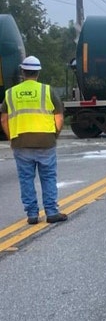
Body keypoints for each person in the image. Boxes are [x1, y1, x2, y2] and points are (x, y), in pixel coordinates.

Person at [0, 56, 67, 224]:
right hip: (46, 141)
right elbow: (58, 117)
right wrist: (54, 135)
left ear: (23, 72)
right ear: (38, 72)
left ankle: (32, 214)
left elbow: (3, 119)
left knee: (26, 178)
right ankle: (51, 212)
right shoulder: (47, 91)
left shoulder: (10, 93)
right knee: (48, 177)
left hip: (21, 142)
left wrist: (11, 137)